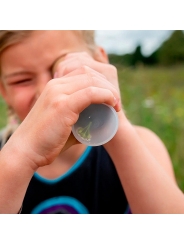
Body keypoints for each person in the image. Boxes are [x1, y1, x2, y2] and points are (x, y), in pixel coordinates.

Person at [0, 30, 183, 214]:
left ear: (100, 62)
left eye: (60, 69)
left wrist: (113, 122)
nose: (47, 91)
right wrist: (21, 156)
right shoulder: (5, 156)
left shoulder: (145, 145)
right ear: (4, 91)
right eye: (22, 81)